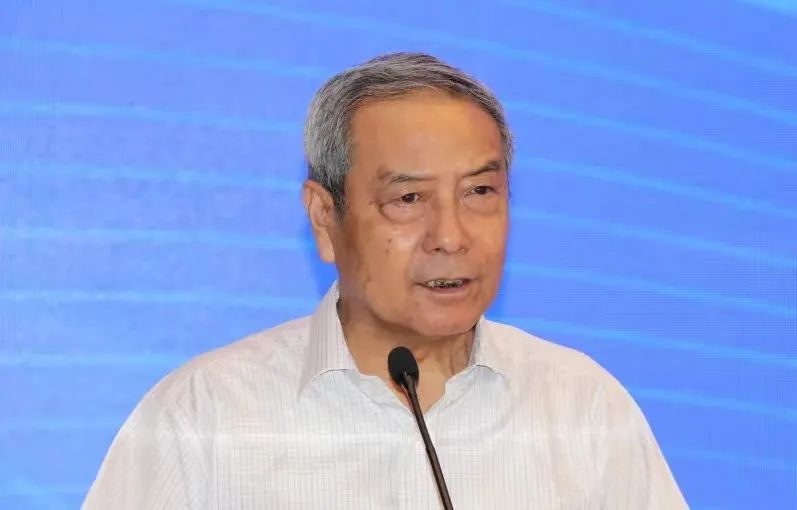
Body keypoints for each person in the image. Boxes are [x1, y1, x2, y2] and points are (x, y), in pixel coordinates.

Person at [83, 52, 687, 509]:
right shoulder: (204, 418)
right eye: (409, 198)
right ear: (326, 218)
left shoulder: (583, 408)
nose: (450, 236)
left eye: (480, 191)